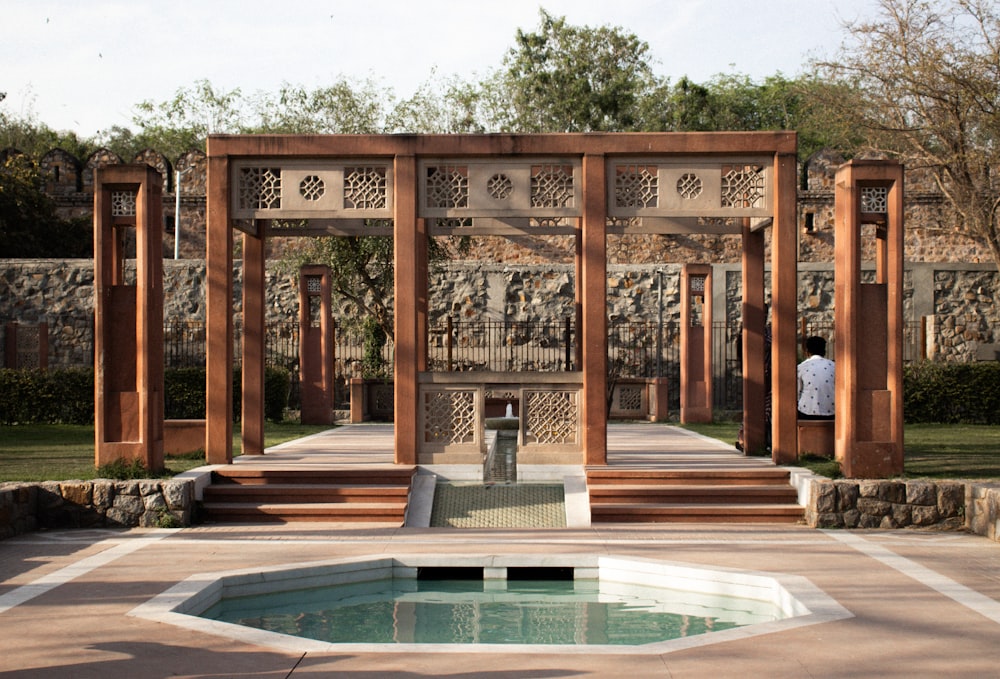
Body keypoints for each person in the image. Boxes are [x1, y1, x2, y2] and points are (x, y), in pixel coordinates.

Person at [797, 336, 835, 420]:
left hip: (806, 412)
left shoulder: (801, 367)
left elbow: (797, 393)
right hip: (831, 413)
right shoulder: (834, 366)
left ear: (807, 351)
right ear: (824, 351)